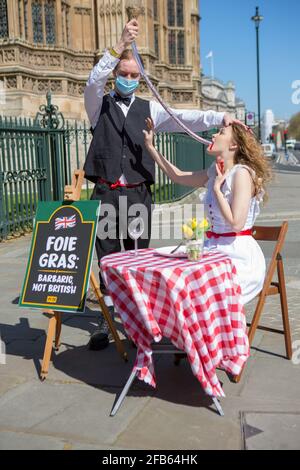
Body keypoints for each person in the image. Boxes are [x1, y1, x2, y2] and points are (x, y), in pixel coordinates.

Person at [83, 19, 244, 349]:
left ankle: (141, 317)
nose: (127, 79)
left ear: (140, 77)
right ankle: (107, 318)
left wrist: (219, 118)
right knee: (108, 258)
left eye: (133, 75)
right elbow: (93, 80)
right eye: (122, 73)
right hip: (106, 195)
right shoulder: (98, 104)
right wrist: (118, 45)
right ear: (115, 73)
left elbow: (185, 116)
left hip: (139, 194)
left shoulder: (150, 108)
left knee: (139, 257)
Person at [143, 118, 272, 304]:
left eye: (220, 133)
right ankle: (189, 330)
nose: (213, 134)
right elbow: (178, 176)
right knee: (169, 272)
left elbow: (236, 224)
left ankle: (209, 330)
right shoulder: (215, 172)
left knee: (192, 287)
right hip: (213, 251)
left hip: (238, 257)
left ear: (234, 144)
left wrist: (218, 190)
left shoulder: (242, 173)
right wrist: (151, 147)